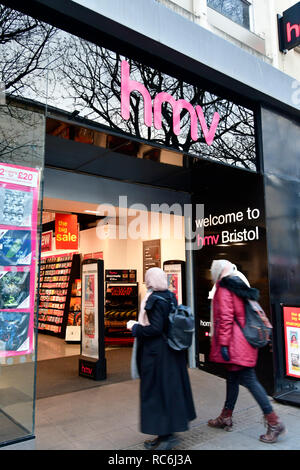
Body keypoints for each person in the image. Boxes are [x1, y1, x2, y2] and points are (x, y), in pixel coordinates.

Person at [208, 259, 286, 444]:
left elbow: (226, 318)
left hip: (236, 344)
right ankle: (225, 416)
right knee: (232, 378)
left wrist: (224, 345)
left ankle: (274, 422)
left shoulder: (224, 287)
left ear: (217, 273)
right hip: (245, 341)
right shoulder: (239, 284)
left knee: (250, 380)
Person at [127, 267, 196, 450]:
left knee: (156, 394)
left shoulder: (154, 300)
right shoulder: (170, 296)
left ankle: (164, 438)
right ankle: (166, 434)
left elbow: (155, 329)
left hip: (157, 355)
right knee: (169, 392)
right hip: (173, 352)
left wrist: (135, 328)